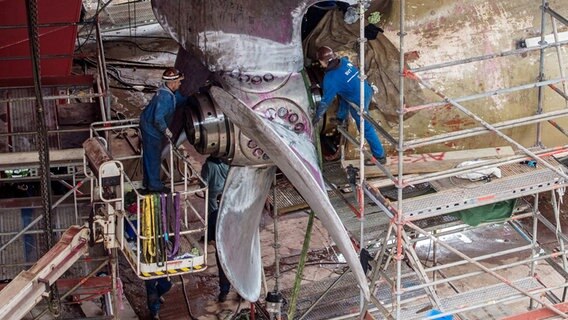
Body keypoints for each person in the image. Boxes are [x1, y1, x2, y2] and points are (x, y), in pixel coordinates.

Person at [311, 46, 386, 165]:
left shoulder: (330, 79)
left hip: (359, 99)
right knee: (343, 96)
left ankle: (380, 156)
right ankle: (340, 118)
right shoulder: (344, 61)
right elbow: (343, 79)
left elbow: (325, 102)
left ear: (322, 61)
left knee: (365, 128)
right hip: (365, 88)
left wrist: (317, 116)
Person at [140, 67, 187, 193]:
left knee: (150, 156)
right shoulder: (164, 98)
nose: (180, 83)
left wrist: (192, 98)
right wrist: (166, 131)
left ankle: (147, 182)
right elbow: (158, 119)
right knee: (153, 156)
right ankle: (154, 186)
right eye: (178, 81)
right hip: (151, 129)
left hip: (148, 123)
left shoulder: (167, 92)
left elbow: (177, 99)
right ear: (172, 83)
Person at [201, 156, 231, 302]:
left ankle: (224, 292)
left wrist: (212, 240)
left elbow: (203, 182)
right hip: (235, 245)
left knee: (223, 269)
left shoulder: (208, 166)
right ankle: (241, 291)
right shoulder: (226, 164)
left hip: (212, 195)